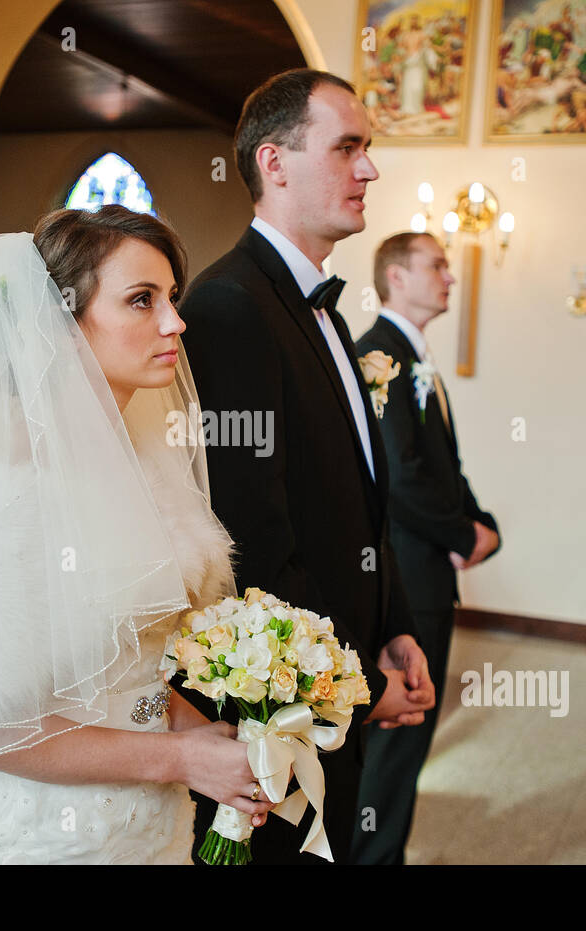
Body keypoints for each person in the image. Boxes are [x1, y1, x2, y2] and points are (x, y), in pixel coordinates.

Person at [0, 205, 279, 864]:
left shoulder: (142, 458)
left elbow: (127, 670)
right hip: (50, 838)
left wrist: (208, 740)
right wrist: (176, 757)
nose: (175, 323)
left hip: (151, 823)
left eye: (171, 298)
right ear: (60, 322)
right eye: (142, 300)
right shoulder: (1, 483)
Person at [173, 68, 437, 865]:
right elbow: (253, 536)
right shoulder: (231, 305)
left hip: (345, 666)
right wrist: (356, 684)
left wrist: (394, 627)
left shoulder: (322, 308)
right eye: (348, 147)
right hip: (280, 713)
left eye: (370, 149)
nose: (370, 169)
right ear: (274, 162)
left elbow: (356, 501)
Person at [352, 231, 500, 864]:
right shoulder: (376, 357)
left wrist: (482, 521)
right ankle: (374, 857)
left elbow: (444, 463)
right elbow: (400, 476)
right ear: (397, 279)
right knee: (399, 735)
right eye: (436, 266)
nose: (450, 277)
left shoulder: (416, 357)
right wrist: (465, 536)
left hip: (428, 571)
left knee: (412, 735)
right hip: (408, 576)